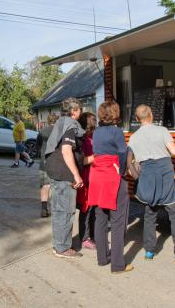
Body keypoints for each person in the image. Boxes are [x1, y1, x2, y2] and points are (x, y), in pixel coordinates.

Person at [127, 104, 175, 266]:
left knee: (149, 215)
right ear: (151, 115)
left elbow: (131, 161)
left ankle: (149, 250)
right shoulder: (162, 131)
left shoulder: (133, 137)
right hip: (165, 177)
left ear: (137, 119)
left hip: (147, 179)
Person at [87, 102, 133, 273]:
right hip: (112, 176)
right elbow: (122, 152)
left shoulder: (97, 132)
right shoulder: (116, 131)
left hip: (97, 175)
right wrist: (121, 170)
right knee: (118, 221)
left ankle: (102, 258)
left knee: (100, 218)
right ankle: (118, 264)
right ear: (115, 113)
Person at [45, 98, 84, 259]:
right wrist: (76, 175)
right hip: (63, 172)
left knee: (58, 210)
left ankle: (59, 244)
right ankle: (62, 248)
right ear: (74, 111)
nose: (81, 113)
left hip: (53, 168)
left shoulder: (61, 122)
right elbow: (66, 151)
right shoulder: (70, 126)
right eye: (80, 110)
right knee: (66, 211)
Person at [77, 112, 97, 250]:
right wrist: (97, 156)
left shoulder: (93, 137)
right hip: (86, 178)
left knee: (93, 209)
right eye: (94, 121)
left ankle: (92, 235)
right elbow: (81, 160)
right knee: (86, 209)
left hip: (94, 178)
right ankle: (84, 238)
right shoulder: (82, 140)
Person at [36, 113, 59, 217]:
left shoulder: (42, 132)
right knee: (56, 187)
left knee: (45, 186)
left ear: (48, 121)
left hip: (44, 162)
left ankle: (44, 209)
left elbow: (38, 147)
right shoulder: (60, 132)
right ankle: (57, 210)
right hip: (57, 163)